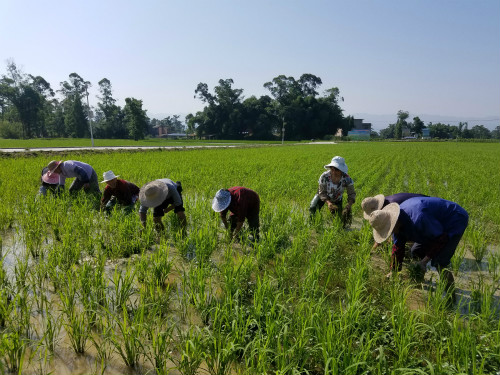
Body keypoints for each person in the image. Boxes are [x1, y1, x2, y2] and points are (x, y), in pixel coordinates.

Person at [368, 197, 469, 301]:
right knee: (416, 251)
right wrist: (393, 271)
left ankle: (451, 299)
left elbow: (441, 239)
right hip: (433, 224)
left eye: (388, 229)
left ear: (393, 222)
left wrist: (424, 261)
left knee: (440, 263)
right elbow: (398, 247)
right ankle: (417, 283)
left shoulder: (418, 219)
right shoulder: (398, 224)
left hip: (454, 220)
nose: (390, 232)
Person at [362, 193, 428, 249]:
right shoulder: (386, 202)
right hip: (422, 205)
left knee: (404, 234)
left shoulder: (393, 204)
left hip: (424, 210)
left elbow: (396, 224)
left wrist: (378, 244)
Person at [309, 156, 355, 226]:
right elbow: (322, 192)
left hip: (337, 198)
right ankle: (312, 225)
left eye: (336, 169)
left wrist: (349, 205)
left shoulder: (347, 179)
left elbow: (351, 193)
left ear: (341, 170)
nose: (333, 172)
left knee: (339, 220)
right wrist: (328, 203)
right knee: (312, 208)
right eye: (332, 169)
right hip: (323, 195)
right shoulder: (324, 176)